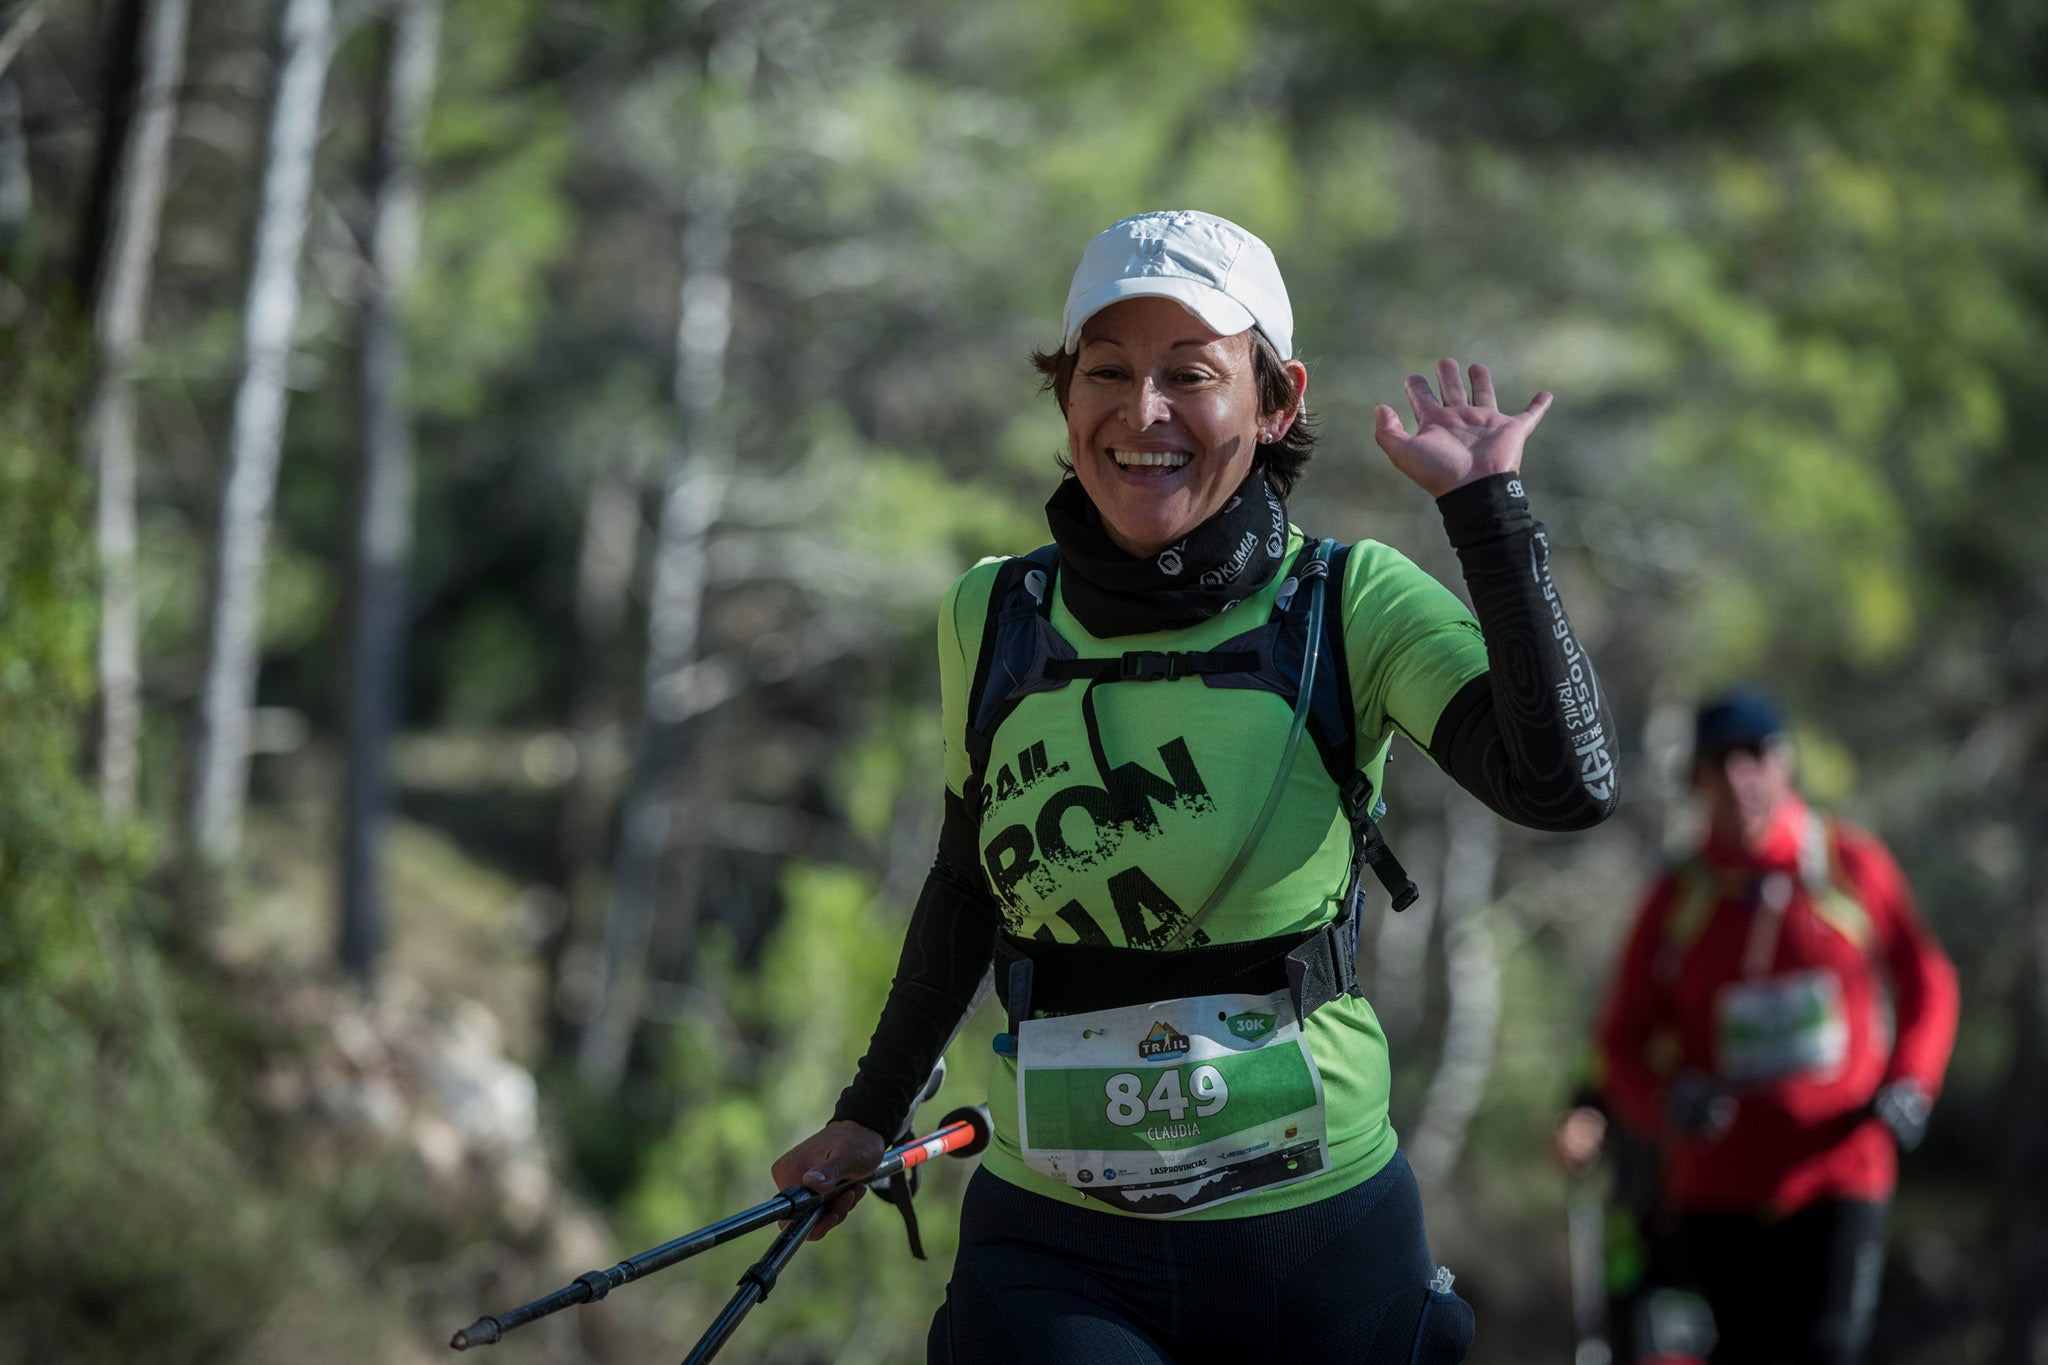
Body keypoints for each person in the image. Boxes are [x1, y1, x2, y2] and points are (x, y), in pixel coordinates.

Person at [772, 208, 1620, 1364]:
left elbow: (1564, 786)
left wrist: (1487, 513)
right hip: (1056, 1249)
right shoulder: (991, 615)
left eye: (1190, 374)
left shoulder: (1348, 603)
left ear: (1275, 402)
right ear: (1063, 396)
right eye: (1105, 372)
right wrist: (869, 1115)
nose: (1142, 413)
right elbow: (969, 885)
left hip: (1318, 1243)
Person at [1595, 687, 1959, 1365]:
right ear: (1696, 780)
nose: (1740, 778)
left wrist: (1913, 1080)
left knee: (1828, 1349)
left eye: (1754, 756)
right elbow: (1620, 1039)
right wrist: (1666, 1100)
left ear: (1785, 763)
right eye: (1719, 762)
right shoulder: (1676, 895)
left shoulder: (1850, 865)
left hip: (1842, 1169)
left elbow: (1929, 982)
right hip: (1717, 1187)